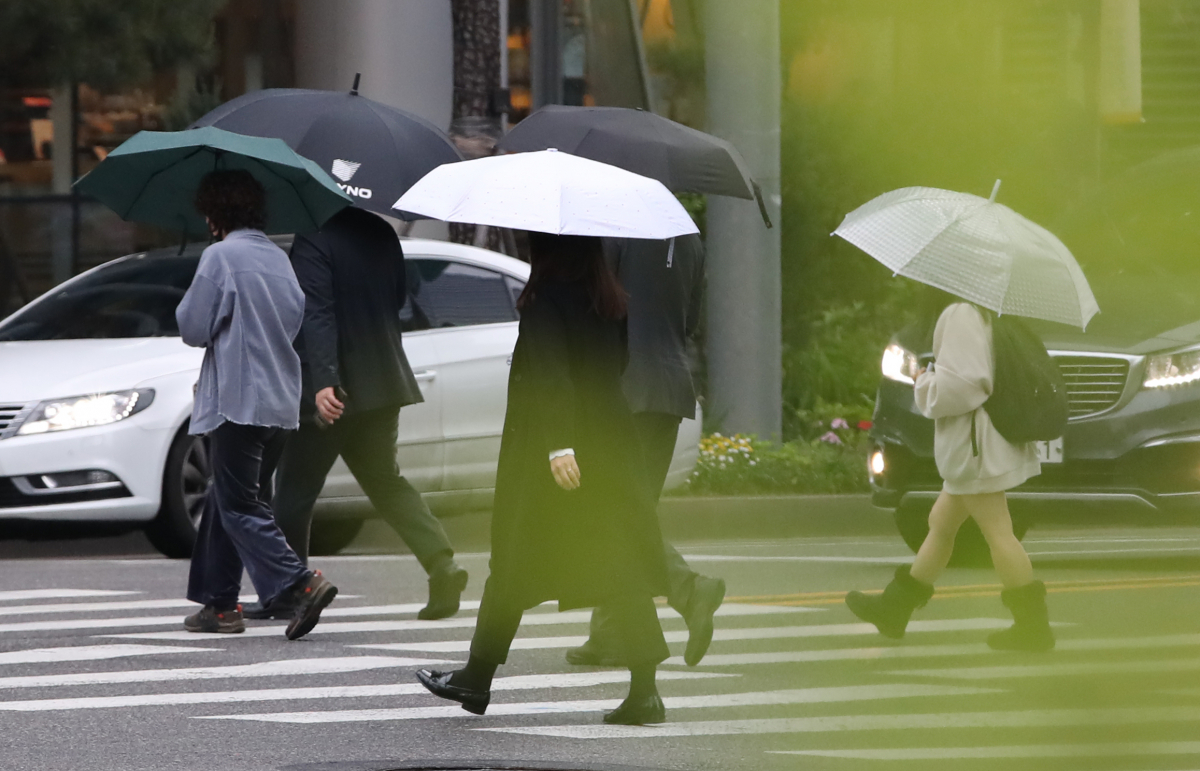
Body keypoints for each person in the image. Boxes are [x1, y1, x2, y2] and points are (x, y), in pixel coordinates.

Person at [415, 233, 671, 726]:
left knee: (514, 560)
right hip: (611, 442)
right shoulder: (612, 299)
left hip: (553, 451)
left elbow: (553, 375)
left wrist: (559, 444)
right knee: (619, 563)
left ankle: (477, 674)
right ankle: (645, 692)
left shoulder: (546, 298)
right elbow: (614, 366)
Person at [255, 206, 468, 621]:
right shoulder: (381, 232)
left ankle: (291, 591)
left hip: (335, 389)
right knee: (387, 482)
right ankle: (443, 564)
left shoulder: (314, 235)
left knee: (294, 495)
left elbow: (315, 311)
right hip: (384, 380)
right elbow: (399, 298)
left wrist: (323, 380)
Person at [176, 169, 337, 641]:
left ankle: (300, 582)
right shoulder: (278, 259)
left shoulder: (220, 256)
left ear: (215, 214)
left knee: (239, 504)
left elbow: (192, 327)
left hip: (238, 401)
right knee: (228, 501)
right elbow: (294, 318)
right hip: (280, 401)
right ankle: (220, 605)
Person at [844, 294, 1054, 651]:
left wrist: (924, 382)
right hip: (976, 443)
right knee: (942, 522)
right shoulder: (982, 313)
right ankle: (895, 608)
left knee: (999, 533)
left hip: (973, 445)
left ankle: (1033, 626)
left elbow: (967, 385)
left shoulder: (960, 314)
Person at [565, 234, 725, 669]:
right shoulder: (691, 237)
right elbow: (690, 319)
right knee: (632, 508)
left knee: (615, 512)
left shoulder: (615, 230)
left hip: (624, 388)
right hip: (670, 386)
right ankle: (609, 632)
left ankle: (691, 590)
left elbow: (598, 309)